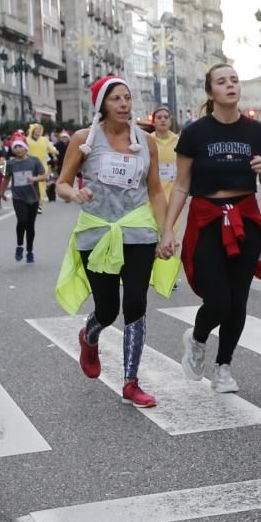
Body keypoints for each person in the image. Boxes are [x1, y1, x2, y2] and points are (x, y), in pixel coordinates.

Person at [159, 64, 261, 394]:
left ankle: (223, 367)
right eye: (222, 82)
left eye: (234, 80)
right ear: (211, 93)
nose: (230, 85)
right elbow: (181, 185)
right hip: (207, 218)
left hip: (245, 218)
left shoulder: (254, 132)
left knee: (238, 300)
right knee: (217, 300)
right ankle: (197, 338)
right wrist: (168, 230)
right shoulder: (195, 133)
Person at [55, 75, 174, 408]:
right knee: (107, 310)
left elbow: (154, 189)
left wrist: (166, 231)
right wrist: (75, 193)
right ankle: (89, 334)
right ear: (101, 105)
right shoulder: (84, 139)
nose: (124, 104)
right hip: (97, 231)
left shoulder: (145, 141)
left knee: (135, 302)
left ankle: (131, 382)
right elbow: (61, 184)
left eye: (127, 98)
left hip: (137, 229)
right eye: (116, 99)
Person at [2, 137, 47, 263]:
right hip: (18, 197)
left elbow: (44, 176)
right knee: (22, 220)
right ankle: (20, 245)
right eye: (15, 147)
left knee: (30, 225)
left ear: (25, 148)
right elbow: (6, 178)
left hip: (33, 197)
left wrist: (34, 179)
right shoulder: (10, 163)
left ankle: (30, 251)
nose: (17, 149)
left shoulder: (34, 161)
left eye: (20, 146)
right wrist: (2, 192)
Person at [26, 123, 58, 208]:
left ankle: (40, 204)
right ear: (33, 130)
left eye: (40, 129)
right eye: (37, 129)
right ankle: (32, 201)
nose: (38, 131)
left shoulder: (44, 140)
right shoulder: (27, 140)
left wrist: (55, 152)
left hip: (42, 166)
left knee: (41, 185)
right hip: (29, 165)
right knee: (30, 184)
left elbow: (51, 149)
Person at [151, 106, 179, 201]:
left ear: (170, 122)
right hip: (153, 197)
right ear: (153, 122)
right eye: (159, 118)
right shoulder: (148, 141)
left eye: (166, 117)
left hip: (174, 197)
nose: (163, 120)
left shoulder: (179, 141)